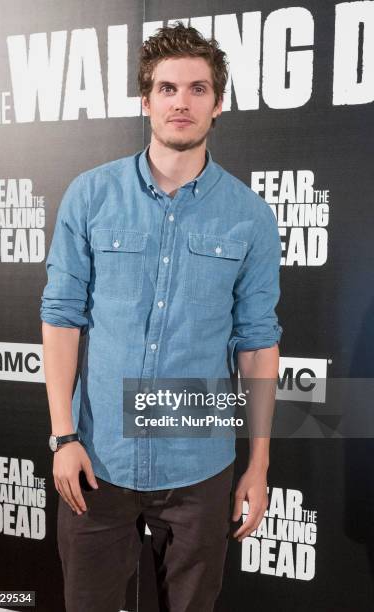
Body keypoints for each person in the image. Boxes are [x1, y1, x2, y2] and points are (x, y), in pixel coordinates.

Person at [40, 21, 282, 612]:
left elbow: (256, 343)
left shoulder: (249, 217)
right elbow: (61, 318)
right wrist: (63, 436)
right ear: (145, 101)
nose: (182, 102)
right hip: (97, 460)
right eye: (168, 88)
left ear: (217, 104)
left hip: (199, 465)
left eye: (198, 89)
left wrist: (259, 462)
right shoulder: (91, 196)